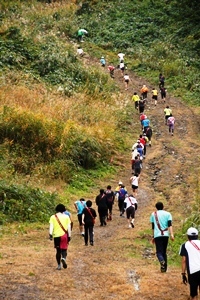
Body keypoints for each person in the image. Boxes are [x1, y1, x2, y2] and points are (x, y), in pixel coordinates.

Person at [150, 202, 174, 272]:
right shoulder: (168, 214)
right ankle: (164, 269)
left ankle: (161, 260)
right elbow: (170, 225)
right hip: (166, 235)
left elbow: (153, 226)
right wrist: (172, 234)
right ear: (163, 206)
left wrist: (153, 236)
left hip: (157, 235)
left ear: (156, 207)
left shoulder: (153, 214)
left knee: (159, 252)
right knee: (164, 252)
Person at [179, 227, 200, 300]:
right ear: (197, 235)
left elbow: (184, 260)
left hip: (193, 271)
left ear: (187, 236)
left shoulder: (185, 245)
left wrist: (183, 274)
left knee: (193, 294)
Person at [49, 204, 71, 270]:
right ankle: (63, 258)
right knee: (64, 249)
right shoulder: (66, 217)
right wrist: (69, 235)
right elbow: (69, 227)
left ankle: (59, 265)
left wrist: (50, 234)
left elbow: (51, 226)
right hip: (64, 235)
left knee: (58, 251)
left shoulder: (53, 217)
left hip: (56, 236)